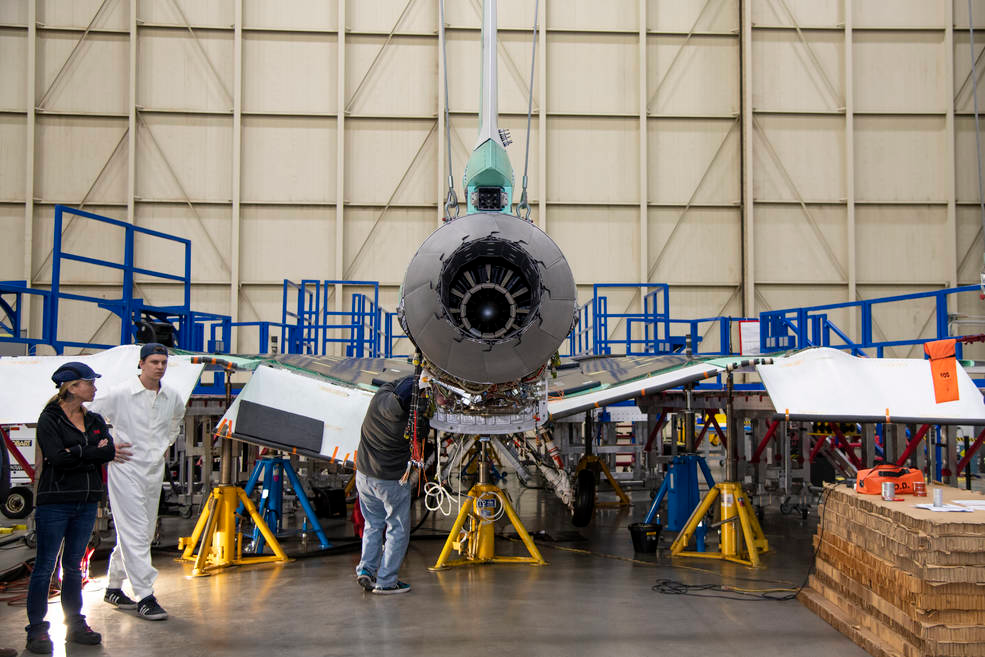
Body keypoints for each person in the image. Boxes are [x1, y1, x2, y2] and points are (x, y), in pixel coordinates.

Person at [24, 362, 131, 655]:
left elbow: (108, 451)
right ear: (72, 387)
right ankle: (37, 630)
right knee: (45, 567)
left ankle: (75, 623)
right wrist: (90, 451)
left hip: (86, 501)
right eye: (89, 382)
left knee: (74, 566)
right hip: (55, 502)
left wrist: (80, 452)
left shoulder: (94, 419)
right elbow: (57, 459)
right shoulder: (50, 419)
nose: (94, 387)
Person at [88, 343, 186, 621]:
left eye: (164, 362)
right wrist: (106, 446)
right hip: (125, 469)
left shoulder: (171, 396)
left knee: (141, 531)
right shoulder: (120, 394)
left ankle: (113, 587)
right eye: (154, 362)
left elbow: (176, 421)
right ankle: (145, 595)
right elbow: (88, 416)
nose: (160, 367)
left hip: (153, 470)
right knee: (134, 531)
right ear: (141, 364)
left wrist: (164, 444)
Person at [354, 376, 417, 594]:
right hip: (390, 483)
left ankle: (366, 570)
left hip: (364, 476)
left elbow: (393, 384)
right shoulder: (408, 425)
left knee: (373, 524)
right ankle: (387, 581)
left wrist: (415, 378)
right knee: (397, 530)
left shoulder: (378, 399)